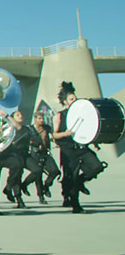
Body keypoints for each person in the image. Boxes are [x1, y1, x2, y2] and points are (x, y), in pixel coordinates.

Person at [52, 82, 104, 213]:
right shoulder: (59, 116)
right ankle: (76, 205)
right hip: (68, 151)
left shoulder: (83, 114)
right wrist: (65, 134)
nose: (74, 100)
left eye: (75, 98)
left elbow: (88, 131)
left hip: (82, 148)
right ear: (65, 101)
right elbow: (55, 135)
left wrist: (94, 142)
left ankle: (81, 182)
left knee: (97, 166)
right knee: (71, 177)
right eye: (71, 99)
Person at [23, 111, 60, 201]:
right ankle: (39, 195)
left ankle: (46, 185)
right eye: (39, 118)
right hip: (35, 153)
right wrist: (34, 143)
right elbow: (26, 140)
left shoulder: (47, 128)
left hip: (45, 153)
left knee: (55, 171)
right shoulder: (30, 129)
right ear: (35, 119)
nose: (42, 120)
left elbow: (53, 135)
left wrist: (56, 142)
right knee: (38, 174)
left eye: (43, 118)